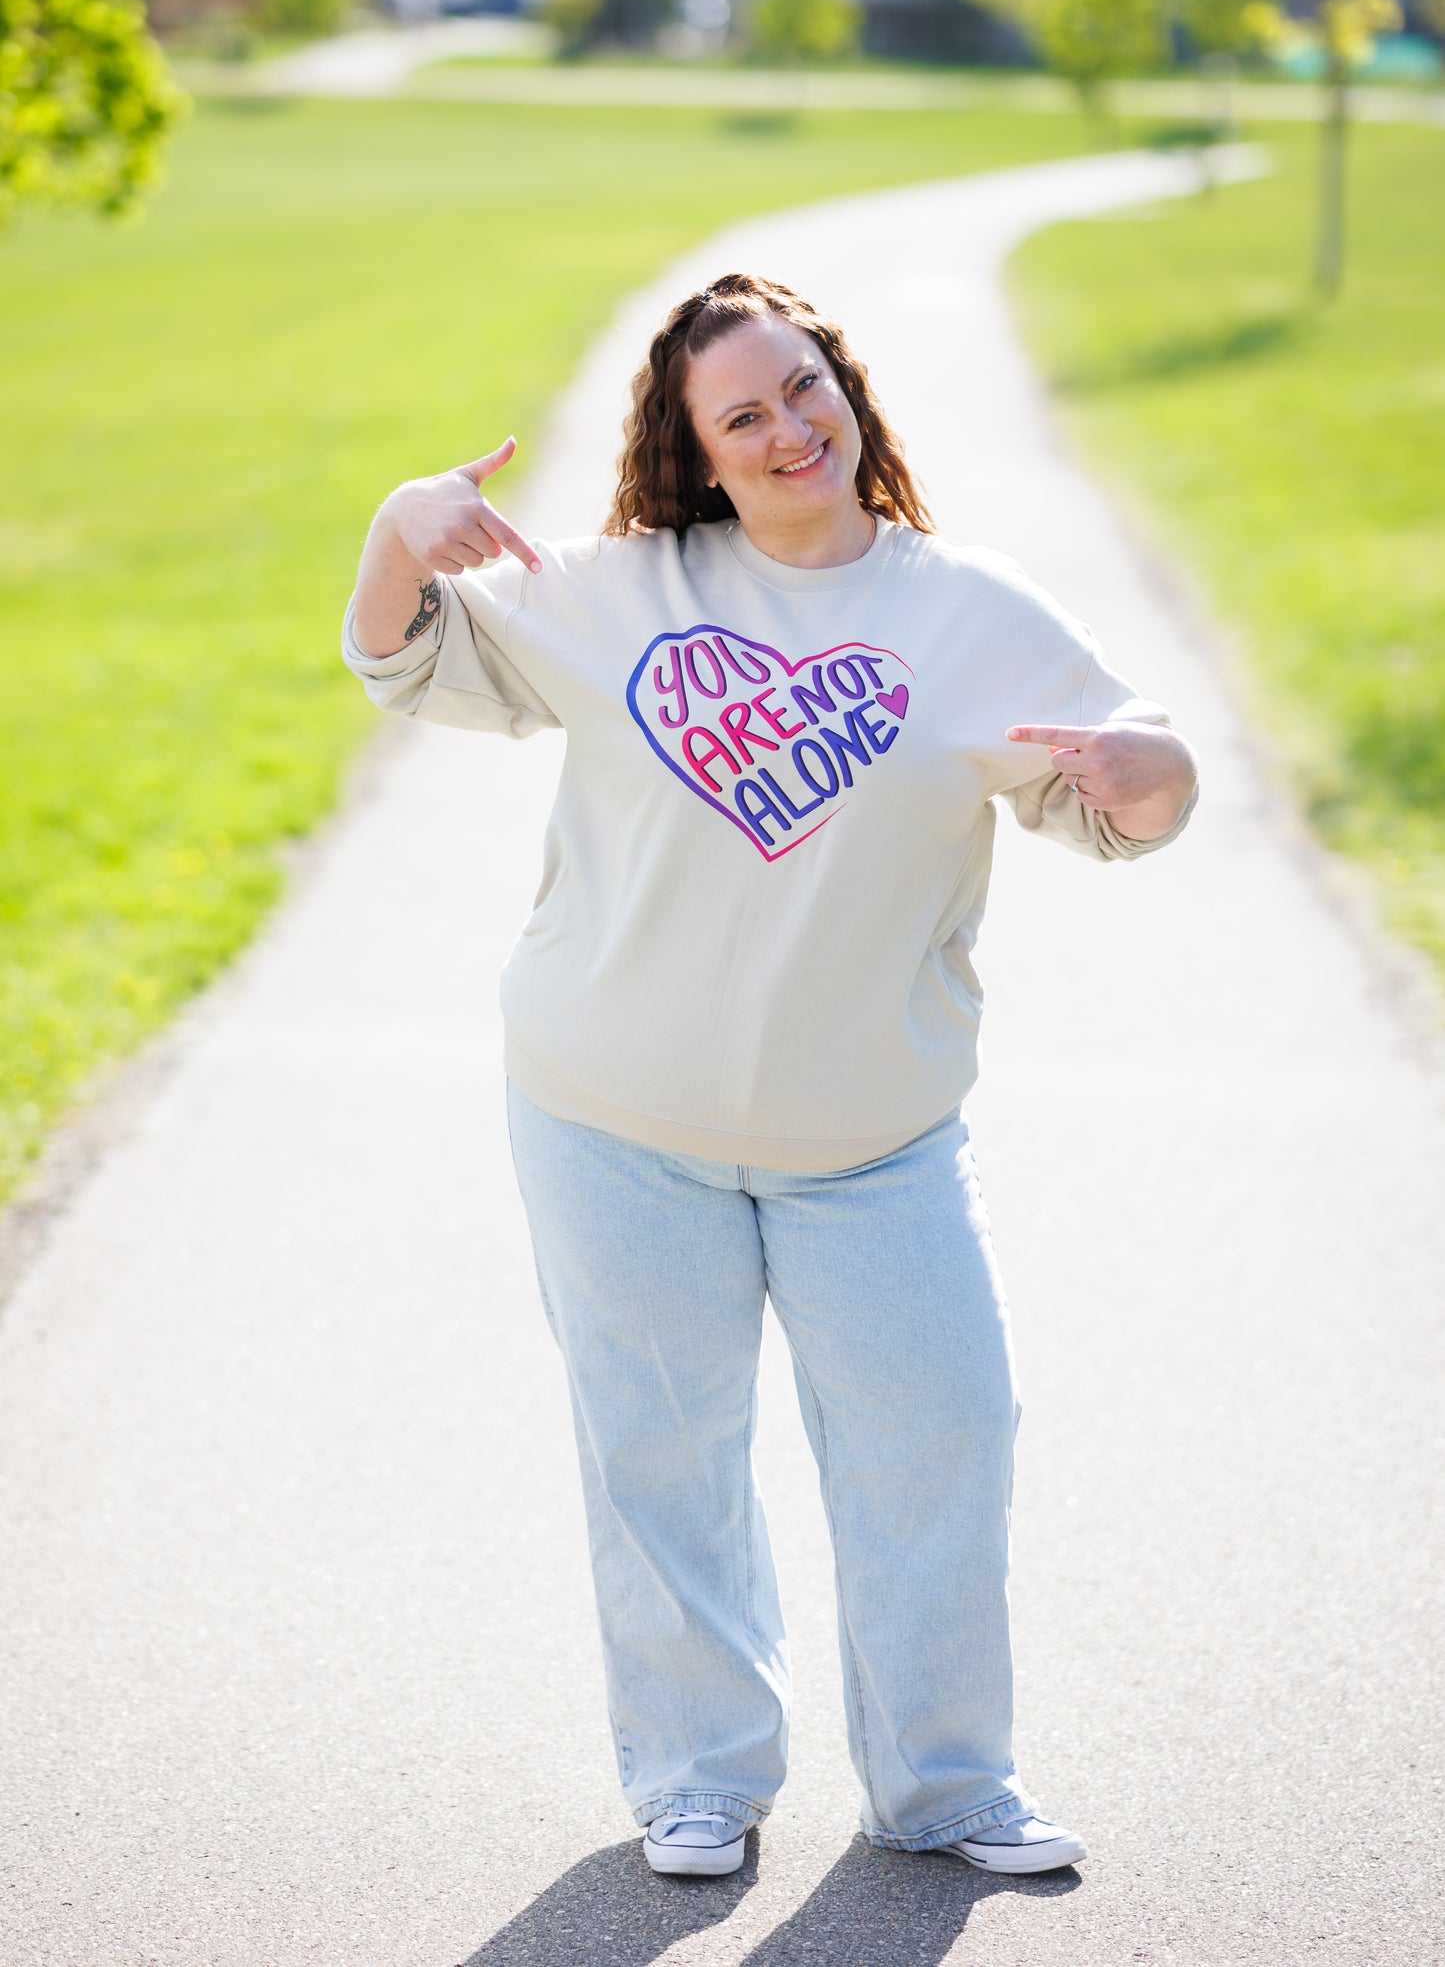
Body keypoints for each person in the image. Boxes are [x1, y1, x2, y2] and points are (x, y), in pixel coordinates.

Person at [343, 273, 1197, 1881]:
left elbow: (1117, 775)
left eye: (804, 387)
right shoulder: (613, 595)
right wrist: (398, 531)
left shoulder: (970, 611)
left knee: (942, 1434)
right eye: (744, 415)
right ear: (699, 458)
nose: (789, 427)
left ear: (846, 388)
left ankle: (945, 1788)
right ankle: (697, 1780)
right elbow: (407, 664)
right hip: (611, 1122)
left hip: (872, 1141)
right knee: (662, 1454)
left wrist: (1158, 777)